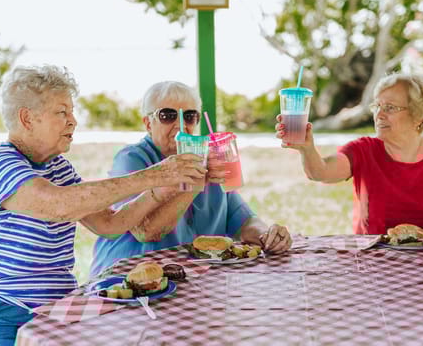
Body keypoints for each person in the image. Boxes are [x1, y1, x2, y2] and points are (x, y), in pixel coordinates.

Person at [0, 66, 207, 346]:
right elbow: (57, 205)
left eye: (72, 112)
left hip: (57, 308)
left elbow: (110, 225)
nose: (73, 121)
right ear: (27, 118)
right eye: (62, 113)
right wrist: (154, 175)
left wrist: (158, 190)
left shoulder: (59, 167)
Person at [90, 81, 292, 277]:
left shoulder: (209, 156)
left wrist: (268, 236)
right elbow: (148, 231)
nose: (180, 125)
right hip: (126, 278)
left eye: (189, 116)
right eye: (167, 115)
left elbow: (244, 221)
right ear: (148, 123)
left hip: (189, 279)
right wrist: (197, 182)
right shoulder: (133, 159)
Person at [275, 72, 423, 235]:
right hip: (373, 261)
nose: (379, 115)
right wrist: (307, 148)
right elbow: (321, 172)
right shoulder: (363, 150)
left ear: (419, 115)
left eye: (390, 107)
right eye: (377, 106)